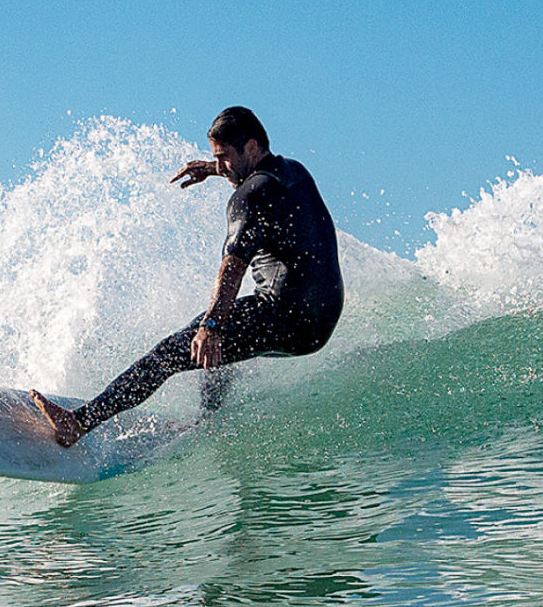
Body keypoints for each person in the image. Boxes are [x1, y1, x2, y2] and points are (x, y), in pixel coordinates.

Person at [32, 108, 342, 446]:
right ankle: (210, 419)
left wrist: (210, 326)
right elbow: (252, 180)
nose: (220, 165)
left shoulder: (249, 196)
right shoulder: (293, 171)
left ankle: (79, 422)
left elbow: (233, 264)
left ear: (251, 147)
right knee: (221, 356)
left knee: (170, 354)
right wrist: (210, 169)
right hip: (322, 318)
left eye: (223, 157)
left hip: (283, 315)